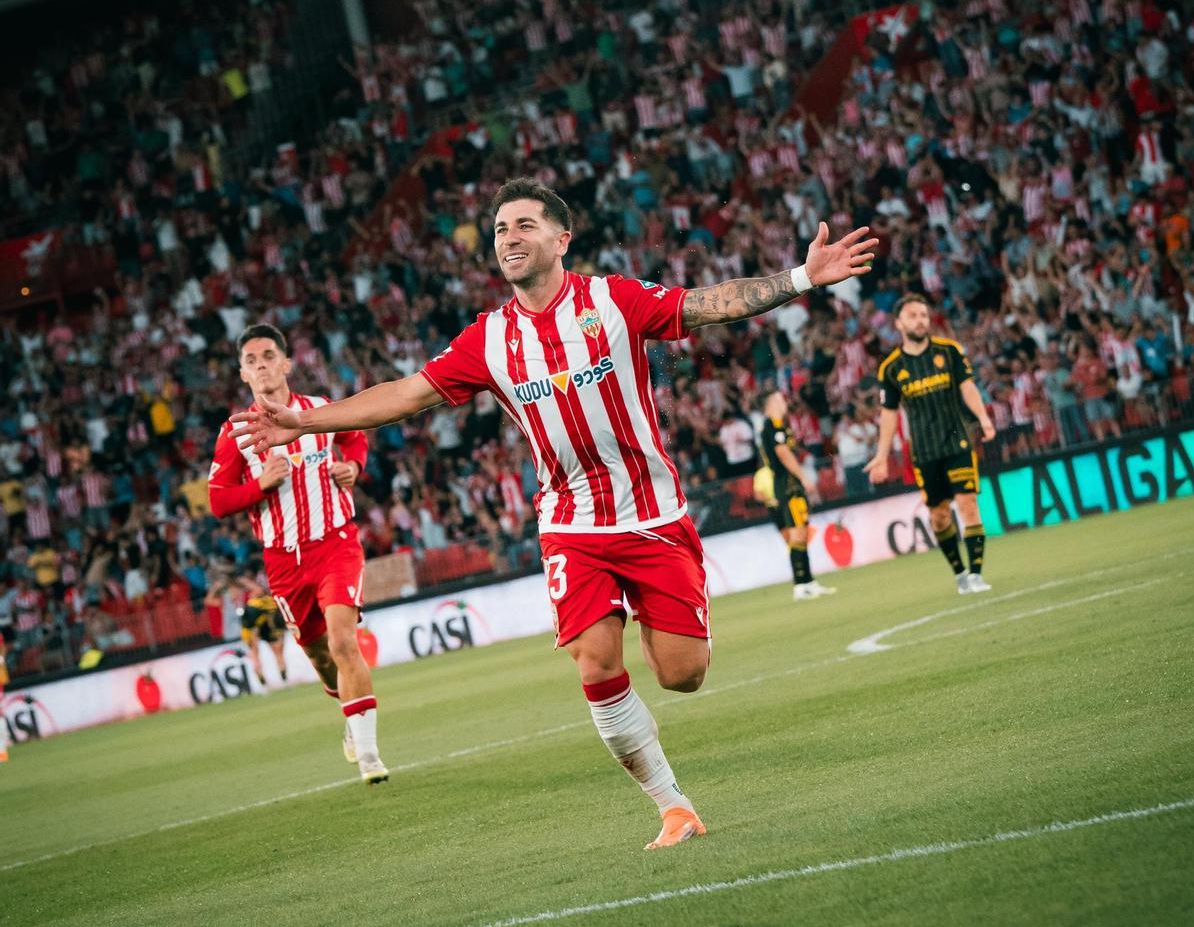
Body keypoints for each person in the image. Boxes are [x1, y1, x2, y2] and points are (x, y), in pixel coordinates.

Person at [233, 178, 876, 848]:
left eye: (523, 226)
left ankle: (660, 657)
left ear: (560, 239)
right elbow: (405, 394)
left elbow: (705, 305)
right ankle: (673, 807)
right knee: (595, 663)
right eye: (500, 230)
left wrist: (803, 276)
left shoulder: (612, 299)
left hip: (652, 512)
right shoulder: (489, 339)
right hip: (571, 525)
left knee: (682, 675)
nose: (508, 238)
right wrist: (305, 426)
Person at [209, 323, 387, 784]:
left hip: (335, 541)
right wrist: (260, 485)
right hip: (283, 559)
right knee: (320, 656)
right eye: (251, 360)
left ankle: (369, 756)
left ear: (286, 363)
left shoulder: (320, 411)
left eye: (269, 355)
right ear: (243, 374)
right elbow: (218, 500)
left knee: (343, 640)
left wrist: (353, 466)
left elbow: (355, 437)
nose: (261, 365)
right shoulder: (235, 433)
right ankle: (350, 719)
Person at [866, 293, 995, 594]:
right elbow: (888, 414)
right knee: (939, 516)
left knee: (968, 504)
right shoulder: (891, 368)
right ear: (898, 323)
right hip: (924, 452)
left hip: (958, 443)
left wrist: (984, 419)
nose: (920, 320)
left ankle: (976, 574)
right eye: (912, 316)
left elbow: (968, 387)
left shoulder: (949, 352)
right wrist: (882, 455)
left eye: (923, 315)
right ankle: (960, 573)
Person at [756, 389, 836, 602]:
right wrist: (803, 477)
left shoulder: (779, 425)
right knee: (797, 534)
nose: (784, 402)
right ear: (771, 403)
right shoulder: (771, 425)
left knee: (801, 533)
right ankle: (801, 584)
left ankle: (808, 582)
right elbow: (783, 453)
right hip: (788, 485)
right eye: (780, 399)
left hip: (791, 484)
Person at [237, 574, 289, 687]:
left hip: (260, 626)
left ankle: (280, 675)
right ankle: (265, 678)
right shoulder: (263, 602)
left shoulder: (255, 603)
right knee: (257, 653)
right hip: (254, 628)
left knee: (272, 651)